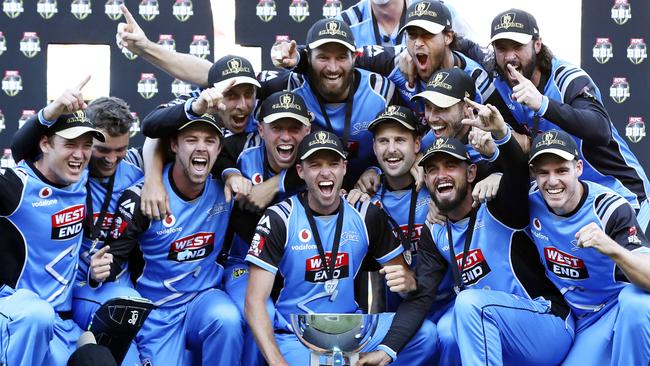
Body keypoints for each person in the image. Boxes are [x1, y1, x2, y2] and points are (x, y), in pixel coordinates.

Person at [360, 105, 572, 366]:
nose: (442, 175)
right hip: (495, 327)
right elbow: (421, 297)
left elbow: (516, 171)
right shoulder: (435, 229)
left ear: (471, 173)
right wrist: (387, 350)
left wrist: (501, 134)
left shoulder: (497, 206)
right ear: (425, 180)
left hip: (545, 324)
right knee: (448, 330)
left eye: (451, 166)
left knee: (468, 303)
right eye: (433, 170)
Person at [244, 131, 437, 365]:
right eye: (315, 165)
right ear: (300, 171)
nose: (326, 172)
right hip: (296, 334)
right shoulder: (279, 219)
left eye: (333, 164)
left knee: (426, 335)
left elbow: (405, 286)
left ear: (344, 168)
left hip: (352, 327)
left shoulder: (366, 214)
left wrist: (408, 283)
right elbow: (254, 302)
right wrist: (277, 362)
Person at [90, 114, 244, 365]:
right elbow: (113, 260)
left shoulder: (226, 190)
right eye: (191, 139)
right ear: (174, 145)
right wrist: (98, 272)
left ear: (219, 148)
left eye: (209, 141)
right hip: (157, 311)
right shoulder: (142, 197)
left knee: (226, 319)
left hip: (204, 299)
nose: (201, 147)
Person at [488, 8, 650, 233]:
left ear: (537, 45)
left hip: (622, 194)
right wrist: (493, 156)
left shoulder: (566, 78)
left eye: (517, 46)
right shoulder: (500, 84)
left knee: (628, 266)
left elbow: (600, 130)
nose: (509, 57)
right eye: (501, 48)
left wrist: (543, 104)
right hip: (572, 200)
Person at [11, 94, 145, 365]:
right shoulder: (68, 173)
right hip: (50, 296)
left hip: (101, 286)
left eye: (120, 151)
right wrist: (49, 112)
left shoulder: (137, 173)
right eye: (103, 150)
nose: (111, 160)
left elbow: (158, 136)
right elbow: (21, 152)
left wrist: (153, 181)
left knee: (126, 309)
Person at [0, 81, 107, 365]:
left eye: (86, 146)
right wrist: (50, 112)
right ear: (45, 144)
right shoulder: (15, 186)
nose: (80, 155)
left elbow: (156, 131)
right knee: (37, 316)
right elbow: (18, 146)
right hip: (16, 313)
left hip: (61, 322)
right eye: (70, 144)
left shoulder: (81, 178)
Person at [527, 129, 650, 365]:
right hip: (583, 320)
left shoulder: (609, 208)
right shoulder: (531, 200)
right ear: (534, 175)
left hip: (616, 307)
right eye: (544, 172)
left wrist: (611, 247)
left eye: (562, 170)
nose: (552, 181)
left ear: (579, 168)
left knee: (639, 304)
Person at [224, 90, 311, 366]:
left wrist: (277, 184)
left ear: (307, 129)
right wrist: (231, 175)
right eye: (277, 128)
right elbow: (214, 154)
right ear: (261, 129)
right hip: (244, 263)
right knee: (258, 315)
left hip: (298, 268)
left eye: (294, 128)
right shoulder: (241, 151)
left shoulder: (316, 158)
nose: (286, 137)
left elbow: (346, 162)